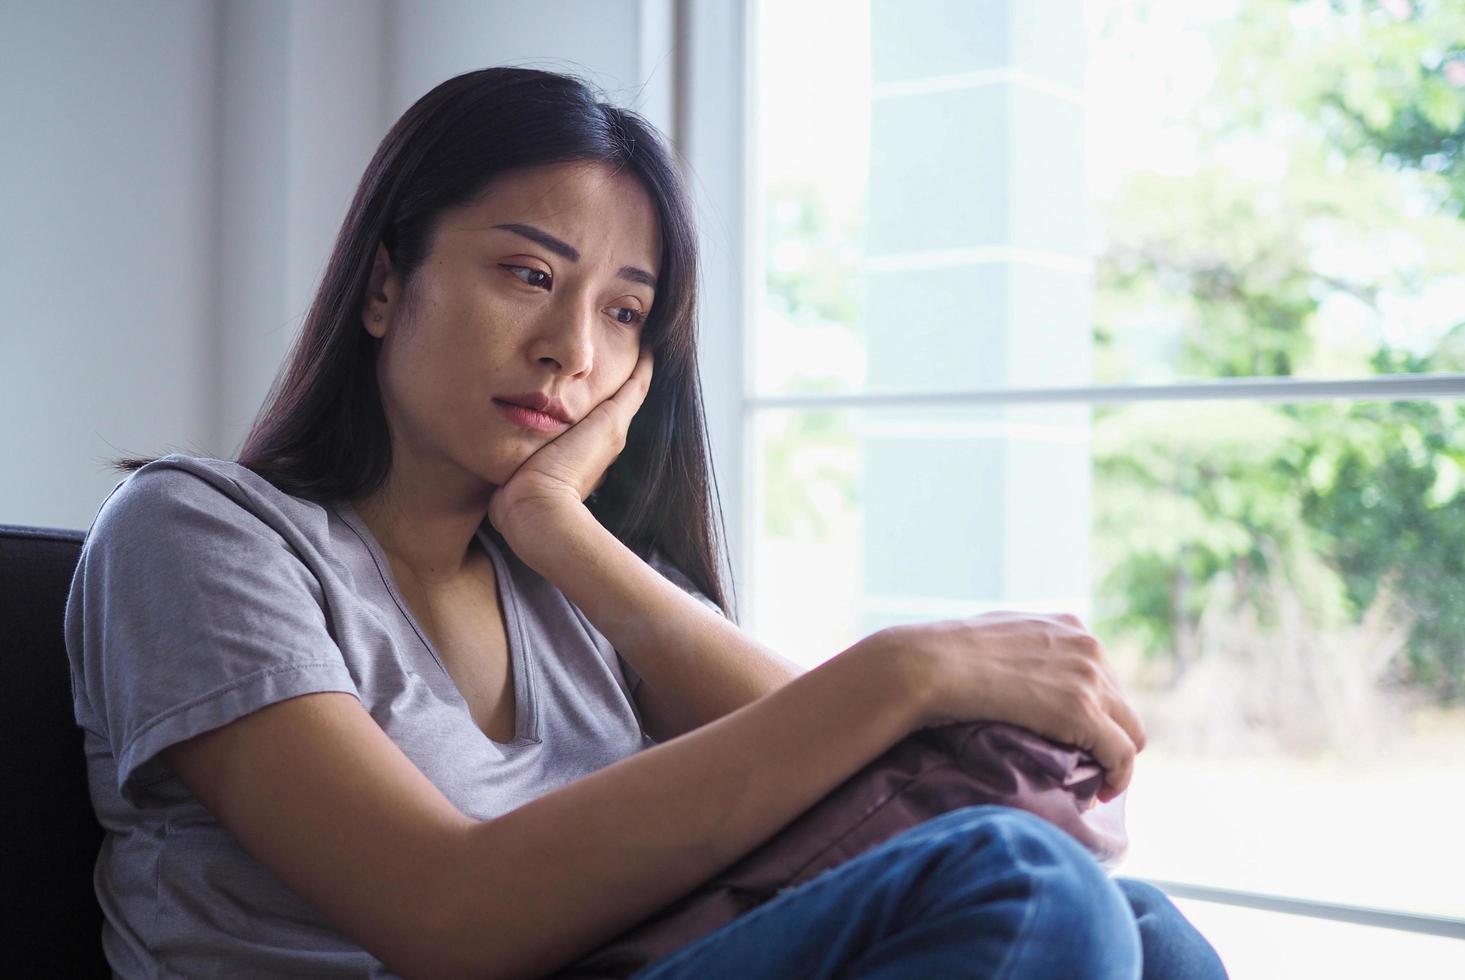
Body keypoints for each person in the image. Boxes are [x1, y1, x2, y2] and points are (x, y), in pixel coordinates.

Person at [65, 67, 1227, 979]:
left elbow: (866, 809)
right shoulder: (196, 532)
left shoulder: (571, 580)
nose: (574, 348)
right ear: (383, 285)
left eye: (626, 313)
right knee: (1026, 886)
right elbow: (445, 912)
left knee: (1150, 932)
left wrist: (560, 529)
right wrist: (907, 667)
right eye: (528, 274)